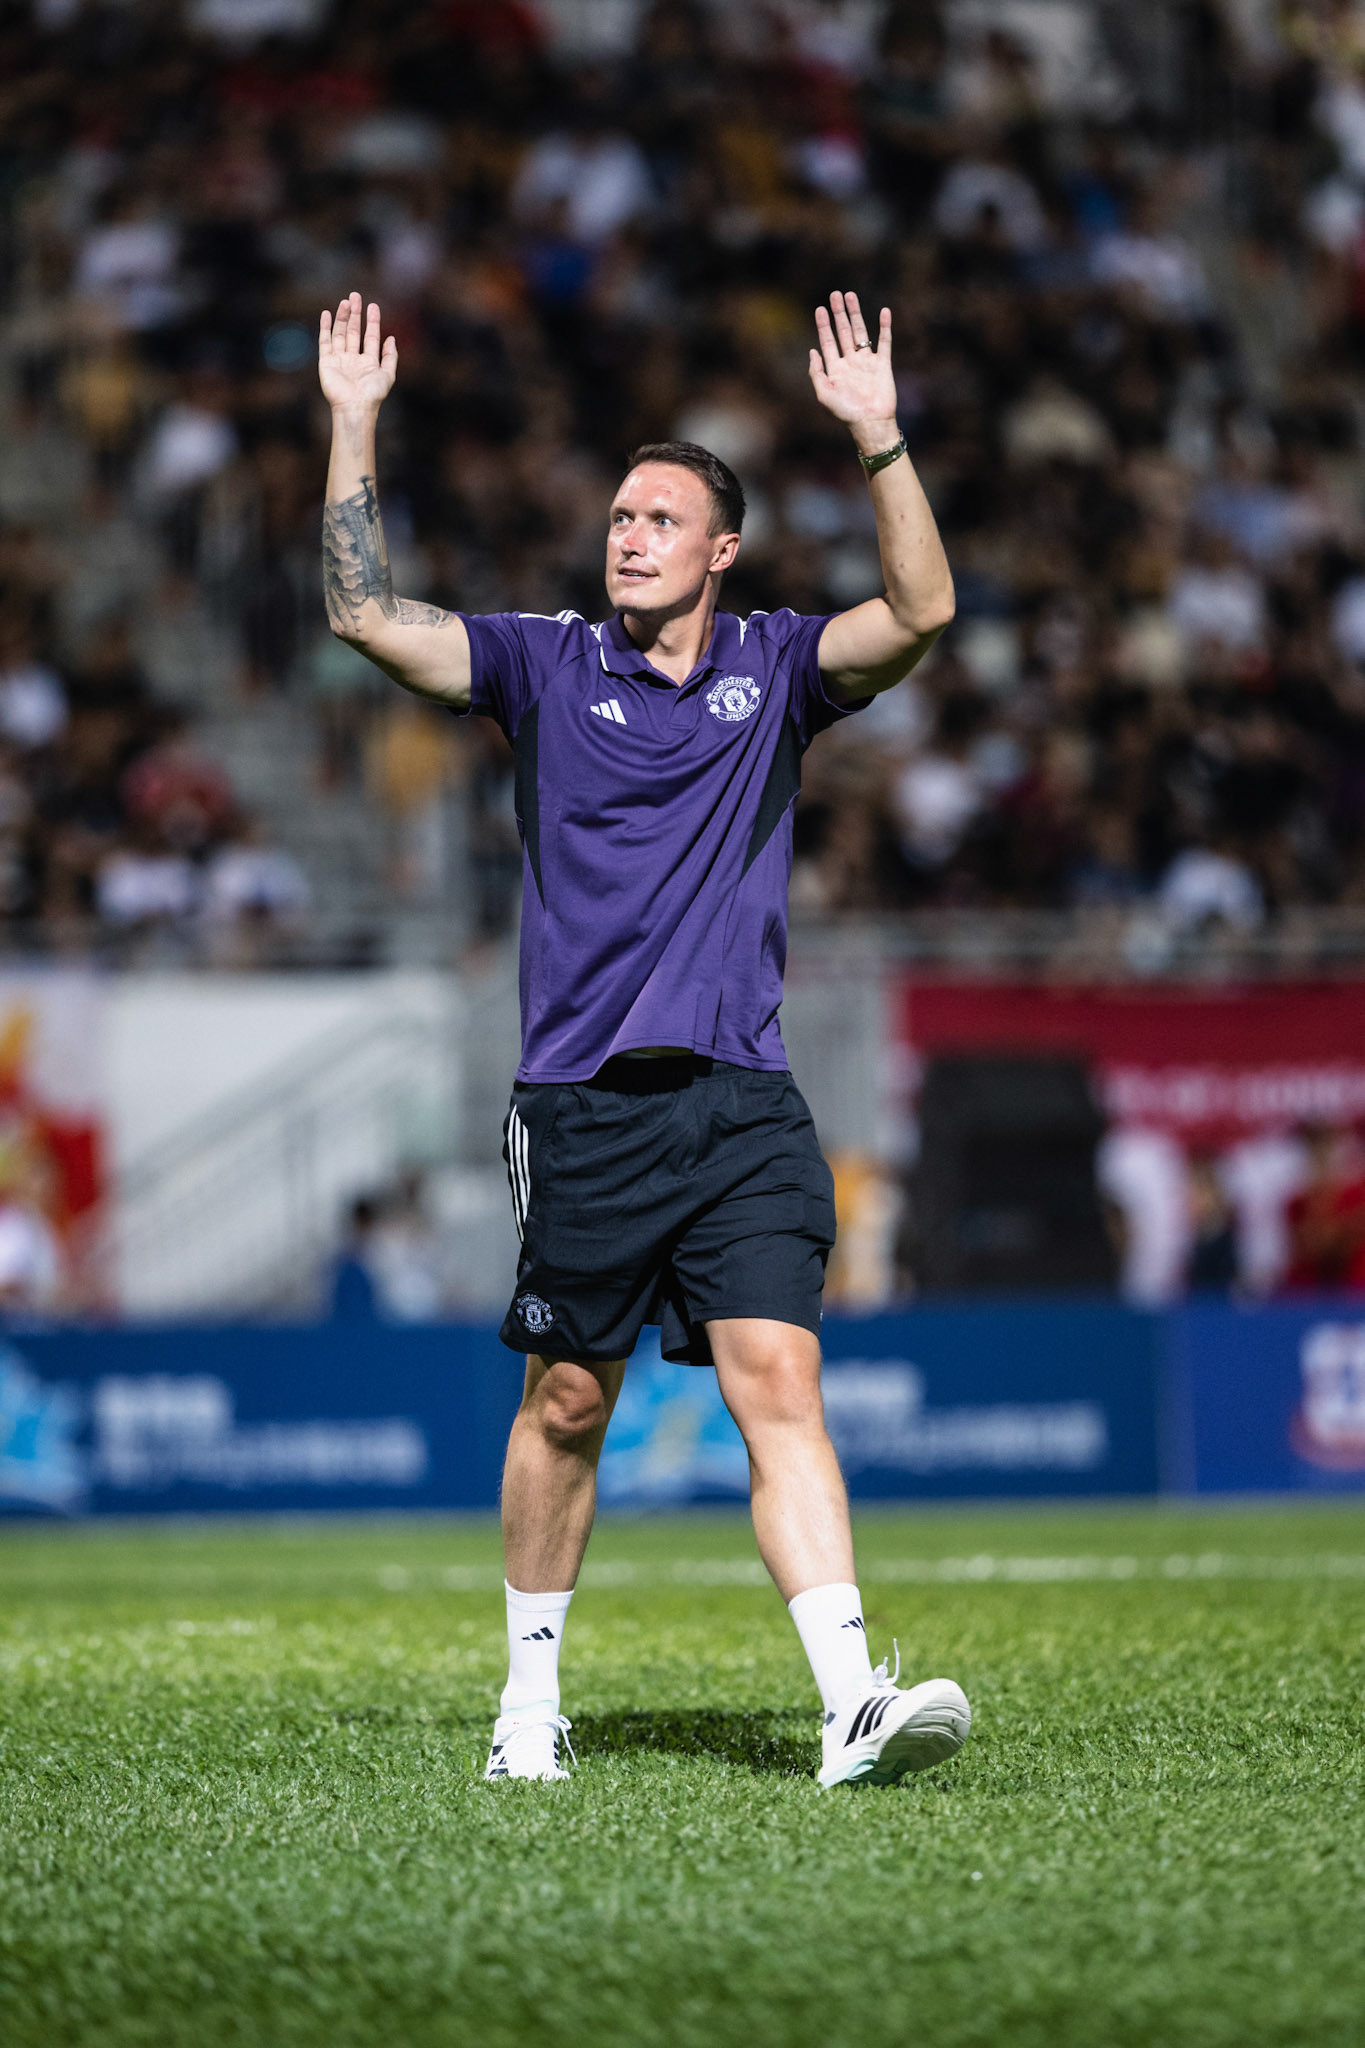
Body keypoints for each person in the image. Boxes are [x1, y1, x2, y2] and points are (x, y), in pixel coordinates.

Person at [318, 287, 968, 1789]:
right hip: (582, 1107)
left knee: (776, 1383)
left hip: (741, 1102)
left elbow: (925, 614)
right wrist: (355, 421)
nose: (626, 534)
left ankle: (847, 1701)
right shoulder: (543, 665)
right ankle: (529, 1702)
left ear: (720, 550)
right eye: (618, 514)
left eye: (659, 518)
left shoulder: (783, 672)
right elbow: (362, 614)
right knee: (567, 1401)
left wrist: (878, 440)